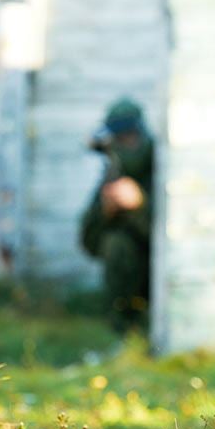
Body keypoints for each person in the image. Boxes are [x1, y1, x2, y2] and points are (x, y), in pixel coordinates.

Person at [80, 98, 154, 331]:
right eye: (118, 140)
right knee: (116, 244)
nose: (123, 146)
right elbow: (88, 243)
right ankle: (124, 325)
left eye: (128, 139)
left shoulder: (159, 168)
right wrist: (106, 212)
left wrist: (140, 205)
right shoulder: (114, 175)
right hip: (128, 273)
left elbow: (169, 241)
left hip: (155, 276)